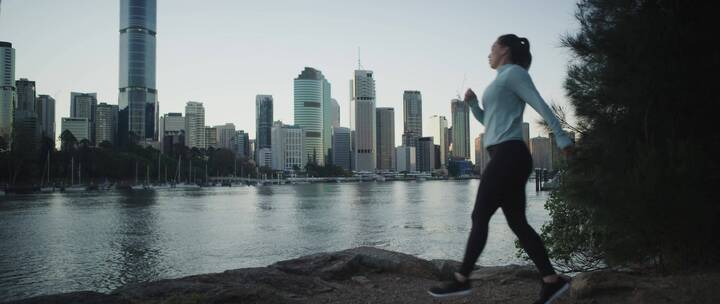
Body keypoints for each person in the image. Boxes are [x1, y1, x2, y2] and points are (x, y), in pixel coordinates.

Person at [427, 34, 574, 304]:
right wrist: (473, 105)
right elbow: (490, 123)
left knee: (479, 214)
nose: (489, 52)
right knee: (518, 223)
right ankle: (551, 281)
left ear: (505, 50)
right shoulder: (500, 80)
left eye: (493, 47)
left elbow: (540, 105)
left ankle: (462, 279)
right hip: (505, 154)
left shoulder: (515, 74)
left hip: (509, 155)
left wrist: (562, 139)